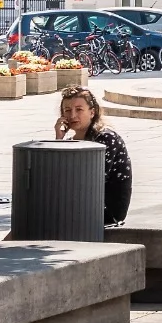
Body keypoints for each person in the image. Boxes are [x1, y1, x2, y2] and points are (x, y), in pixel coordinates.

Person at [55, 86, 134, 225]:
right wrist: (58, 140)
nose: (72, 115)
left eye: (79, 110)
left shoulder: (106, 139)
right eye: (67, 110)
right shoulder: (69, 142)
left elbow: (90, 182)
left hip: (105, 210)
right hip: (80, 204)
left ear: (92, 112)